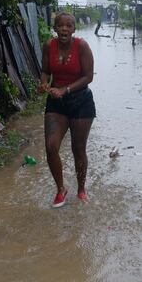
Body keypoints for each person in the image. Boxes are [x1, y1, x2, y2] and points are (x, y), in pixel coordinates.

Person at [39, 12, 95, 208]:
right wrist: (44, 83)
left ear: (74, 29)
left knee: (78, 148)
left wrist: (66, 89)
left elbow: (89, 76)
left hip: (81, 102)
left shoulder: (82, 46)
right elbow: (45, 70)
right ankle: (61, 189)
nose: (64, 29)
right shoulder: (48, 46)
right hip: (56, 103)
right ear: (55, 28)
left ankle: (81, 190)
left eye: (68, 26)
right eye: (60, 25)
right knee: (51, 146)